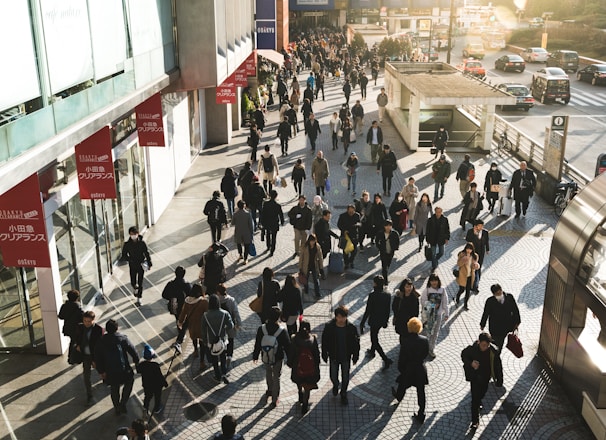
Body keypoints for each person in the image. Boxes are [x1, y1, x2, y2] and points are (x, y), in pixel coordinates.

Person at [95, 319, 139, 415]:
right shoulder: (123, 338)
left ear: (106, 329)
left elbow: (98, 357)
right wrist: (136, 361)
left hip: (110, 371)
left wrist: (101, 371)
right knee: (129, 383)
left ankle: (117, 407)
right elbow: (133, 351)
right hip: (124, 369)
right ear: (117, 328)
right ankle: (123, 403)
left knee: (114, 388)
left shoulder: (101, 340)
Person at [461, 332, 503, 429]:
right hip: (475, 377)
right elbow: (463, 355)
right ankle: (475, 421)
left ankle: (479, 401)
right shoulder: (472, 349)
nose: (485, 347)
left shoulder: (493, 351)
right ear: (479, 342)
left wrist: (499, 379)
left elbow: (498, 366)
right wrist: (471, 363)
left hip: (486, 377)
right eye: (483, 345)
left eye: (487, 345)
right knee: (475, 399)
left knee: (482, 393)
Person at [391, 317, 428, 424]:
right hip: (420, 368)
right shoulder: (424, 340)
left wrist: (401, 368)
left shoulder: (406, 342)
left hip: (409, 368)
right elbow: (425, 354)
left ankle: (398, 396)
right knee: (421, 391)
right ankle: (421, 413)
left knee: (403, 383)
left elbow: (402, 358)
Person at [252, 306, 290, 408]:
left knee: (268, 372)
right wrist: (290, 359)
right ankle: (275, 398)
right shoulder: (282, 331)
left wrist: (255, 355)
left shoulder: (262, 329)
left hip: (265, 355)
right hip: (277, 357)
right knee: (276, 376)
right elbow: (287, 346)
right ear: (278, 317)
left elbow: (258, 343)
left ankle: (269, 389)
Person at [322, 306, 360, 405]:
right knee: (333, 376)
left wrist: (355, 356)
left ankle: (343, 393)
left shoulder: (351, 328)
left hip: (346, 357)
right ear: (336, 316)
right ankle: (336, 384)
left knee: (346, 377)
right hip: (334, 356)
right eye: (339, 317)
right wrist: (324, 353)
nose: (341, 319)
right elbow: (324, 341)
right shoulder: (329, 326)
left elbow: (356, 344)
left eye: (343, 317)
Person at [360, 275, 394, 370]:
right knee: (375, 335)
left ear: (375, 283)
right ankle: (372, 351)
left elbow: (368, 311)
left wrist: (362, 323)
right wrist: (386, 321)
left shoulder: (372, 295)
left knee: (374, 340)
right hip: (381, 321)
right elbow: (388, 310)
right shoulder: (387, 295)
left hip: (374, 321)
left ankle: (385, 359)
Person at [288, 320, 320, 414]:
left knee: (299, 381)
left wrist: (290, 363)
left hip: (297, 366)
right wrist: (317, 365)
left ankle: (300, 393)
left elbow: (291, 353)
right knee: (307, 386)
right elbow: (316, 354)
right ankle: (305, 404)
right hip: (310, 368)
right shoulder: (313, 339)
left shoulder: (294, 339)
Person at [201, 294, 234, 384]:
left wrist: (204, 341)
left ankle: (217, 376)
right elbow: (231, 326)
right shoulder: (224, 313)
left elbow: (203, 331)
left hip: (211, 341)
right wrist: (224, 328)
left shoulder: (205, 315)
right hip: (222, 340)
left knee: (214, 360)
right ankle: (224, 373)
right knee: (223, 357)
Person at [74, 310, 104, 404]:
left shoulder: (99, 329)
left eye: (89, 321)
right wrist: (77, 345)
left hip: (95, 356)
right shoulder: (80, 327)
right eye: (85, 321)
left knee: (101, 371)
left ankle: (105, 380)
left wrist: (95, 359)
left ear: (93, 320)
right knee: (86, 376)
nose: (86, 323)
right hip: (85, 355)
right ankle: (89, 395)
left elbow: (100, 345)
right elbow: (76, 338)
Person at [480, 284, 521, 351]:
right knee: (497, 344)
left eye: (500, 292)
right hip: (495, 328)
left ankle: (496, 354)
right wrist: (482, 324)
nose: (499, 294)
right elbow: (486, 313)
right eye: (497, 294)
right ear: (493, 294)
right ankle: (496, 355)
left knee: (500, 342)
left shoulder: (509, 297)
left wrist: (517, 321)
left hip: (507, 326)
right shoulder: (490, 301)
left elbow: (515, 310)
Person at [177, 284, 208, 369]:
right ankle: (202, 362)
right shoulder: (203, 302)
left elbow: (183, 313)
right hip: (201, 326)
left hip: (192, 325)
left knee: (194, 337)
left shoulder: (187, 301)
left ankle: (195, 350)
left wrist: (180, 322)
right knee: (202, 344)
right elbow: (208, 313)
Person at [121, 227, 152, 306]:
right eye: (132, 234)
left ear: (137, 234)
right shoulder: (127, 244)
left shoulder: (142, 243)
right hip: (132, 264)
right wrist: (129, 259)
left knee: (140, 281)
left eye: (134, 234)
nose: (133, 236)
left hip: (141, 264)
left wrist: (149, 263)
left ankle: (139, 298)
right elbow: (124, 255)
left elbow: (146, 253)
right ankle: (135, 288)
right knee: (133, 281)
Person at [420, 274, 449, 358]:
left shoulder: (442, 290)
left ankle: (431, 349)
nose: (434, 282)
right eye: (432, 280)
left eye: (435, 280)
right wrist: (432, 306)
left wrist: (446, 313)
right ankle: (423, 348)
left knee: (435, 333)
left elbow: (445, 302)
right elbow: (423, 301)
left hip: (438, 315)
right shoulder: (427, 290)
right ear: (429, 281)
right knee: (425, 332)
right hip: (427, 315)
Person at [162, 266, 191, 347]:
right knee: (185, 322)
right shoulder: (186, 285)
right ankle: (179, 339)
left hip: (173, 306)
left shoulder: (170, 284)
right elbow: (191, 295)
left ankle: (180, 330)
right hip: (184, 306)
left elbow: (164, 294)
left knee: (178, 318)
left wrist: (171, 297)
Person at [136, 344, 168, 415]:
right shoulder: (155, 365)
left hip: (147, 385)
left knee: (147, 397)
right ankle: (157, 408)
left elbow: (138, 370)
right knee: (157, 397)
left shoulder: (141, 365)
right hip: (157, 386)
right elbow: (160, 376)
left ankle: (145, 407)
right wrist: (165, 383)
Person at [217, 284, 242, 369]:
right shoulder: (231, 300)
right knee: (231, 340)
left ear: (218, 292)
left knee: (222, 340)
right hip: (230, 324)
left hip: (220, 326)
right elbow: (236, 312)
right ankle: (229, 356)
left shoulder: (216, 301)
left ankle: (222, 354)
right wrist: (239, 324)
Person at [392, 279, 420, 344]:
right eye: (407, 287)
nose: (409, 288)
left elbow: (416, 309)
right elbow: (394, 307)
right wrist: (397, 315)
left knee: (409, 337)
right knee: (402, 336)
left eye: (410, 287)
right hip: (401, 320)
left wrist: (415, 319)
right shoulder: (399, 296)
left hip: (410, 321)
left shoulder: (414, 296)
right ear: (403, 287)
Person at [58, 289, 83, 363]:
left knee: (73, 341)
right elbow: (82, 317)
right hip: (76, 328)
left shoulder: (64, 306)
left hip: (68, 327)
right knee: (75, 342)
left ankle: (71, 357)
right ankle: (73, 357)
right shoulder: (78, 307)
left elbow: (61, 316)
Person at [466, 220, 489, 293]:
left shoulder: (485, 232)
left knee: (478, 268)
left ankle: (476, 285)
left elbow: (487, 241)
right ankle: (470, 283)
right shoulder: (470, 231)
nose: (481, 227)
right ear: (476, 226)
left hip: (481, 252)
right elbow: (467, 239)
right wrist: (474, 233)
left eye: (482, 226)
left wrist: (487, 249)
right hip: (473, 252)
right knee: (471, 267)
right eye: (480, 225)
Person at [455, 242, 480, 311]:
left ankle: (465, 304)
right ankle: (457, 297)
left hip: (470, 276)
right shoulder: (462, 254)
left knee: (468, 291)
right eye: (467, 249)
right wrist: (464, 259)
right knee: (462, 289)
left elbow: (476, 266)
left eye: (470, 249)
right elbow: (459, 264)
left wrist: (476, 266)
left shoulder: (475, 256)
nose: (469, 250)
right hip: (463, 275)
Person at [299, 234, 324, 298]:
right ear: (309, 240)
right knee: (305, 279)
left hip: (314, 266)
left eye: (314, 241)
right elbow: (301, 257)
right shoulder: (305, 247)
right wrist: (300, 267)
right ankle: (306, 289)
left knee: (316, 280)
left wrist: (321, 267)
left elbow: (320, 257)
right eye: (311, 241)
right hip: (306, 265)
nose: (312, 243)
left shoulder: (317, 247)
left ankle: (317, 293)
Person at [260, 190, 284, 256]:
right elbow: (281, 214)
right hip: (274, 222)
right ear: (276, 196)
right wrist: (282, 221)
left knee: (268, 234)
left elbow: (263, 214)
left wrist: (262, 222)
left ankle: (268, 246)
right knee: (274, 237)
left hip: (267, 222)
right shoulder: (278, 205)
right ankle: (272, 250)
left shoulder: (266, 204)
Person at [338, 204, 361, 269]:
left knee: (354, 250)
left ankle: (351, 261)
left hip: (354, 235)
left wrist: (357, 225)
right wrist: (344, 230)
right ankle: (346, 263)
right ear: (347, 210)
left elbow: (359, 223)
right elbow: (339, 224)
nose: (351, 212)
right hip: (345, 235)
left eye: (352, 211)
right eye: (350, 211)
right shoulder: (342, 216)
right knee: (345, 251)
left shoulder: (357, 215)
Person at [426, 207, 450, 272]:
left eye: (439, 212)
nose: (438, 213)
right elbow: (427, 230)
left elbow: (447, 229)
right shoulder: (430, 220)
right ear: (435, 211)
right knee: (433, 254)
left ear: (441, 212)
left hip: (441, 239)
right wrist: (427, 239)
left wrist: (447, 238)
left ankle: (435, 259)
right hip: (432, 239)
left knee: (441, 252)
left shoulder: (445, 219)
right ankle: (434, 266)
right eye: (437, 212)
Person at [232, 200, 254, 264]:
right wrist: (251, 233)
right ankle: (245, 258)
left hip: (238, 231)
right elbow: (251, 225)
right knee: (246, 245)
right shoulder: (248, 214)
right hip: (246, 232)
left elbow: (233, 223)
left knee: (239, 244)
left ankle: (240, 255)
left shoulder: (235, 214)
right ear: (244, 206)